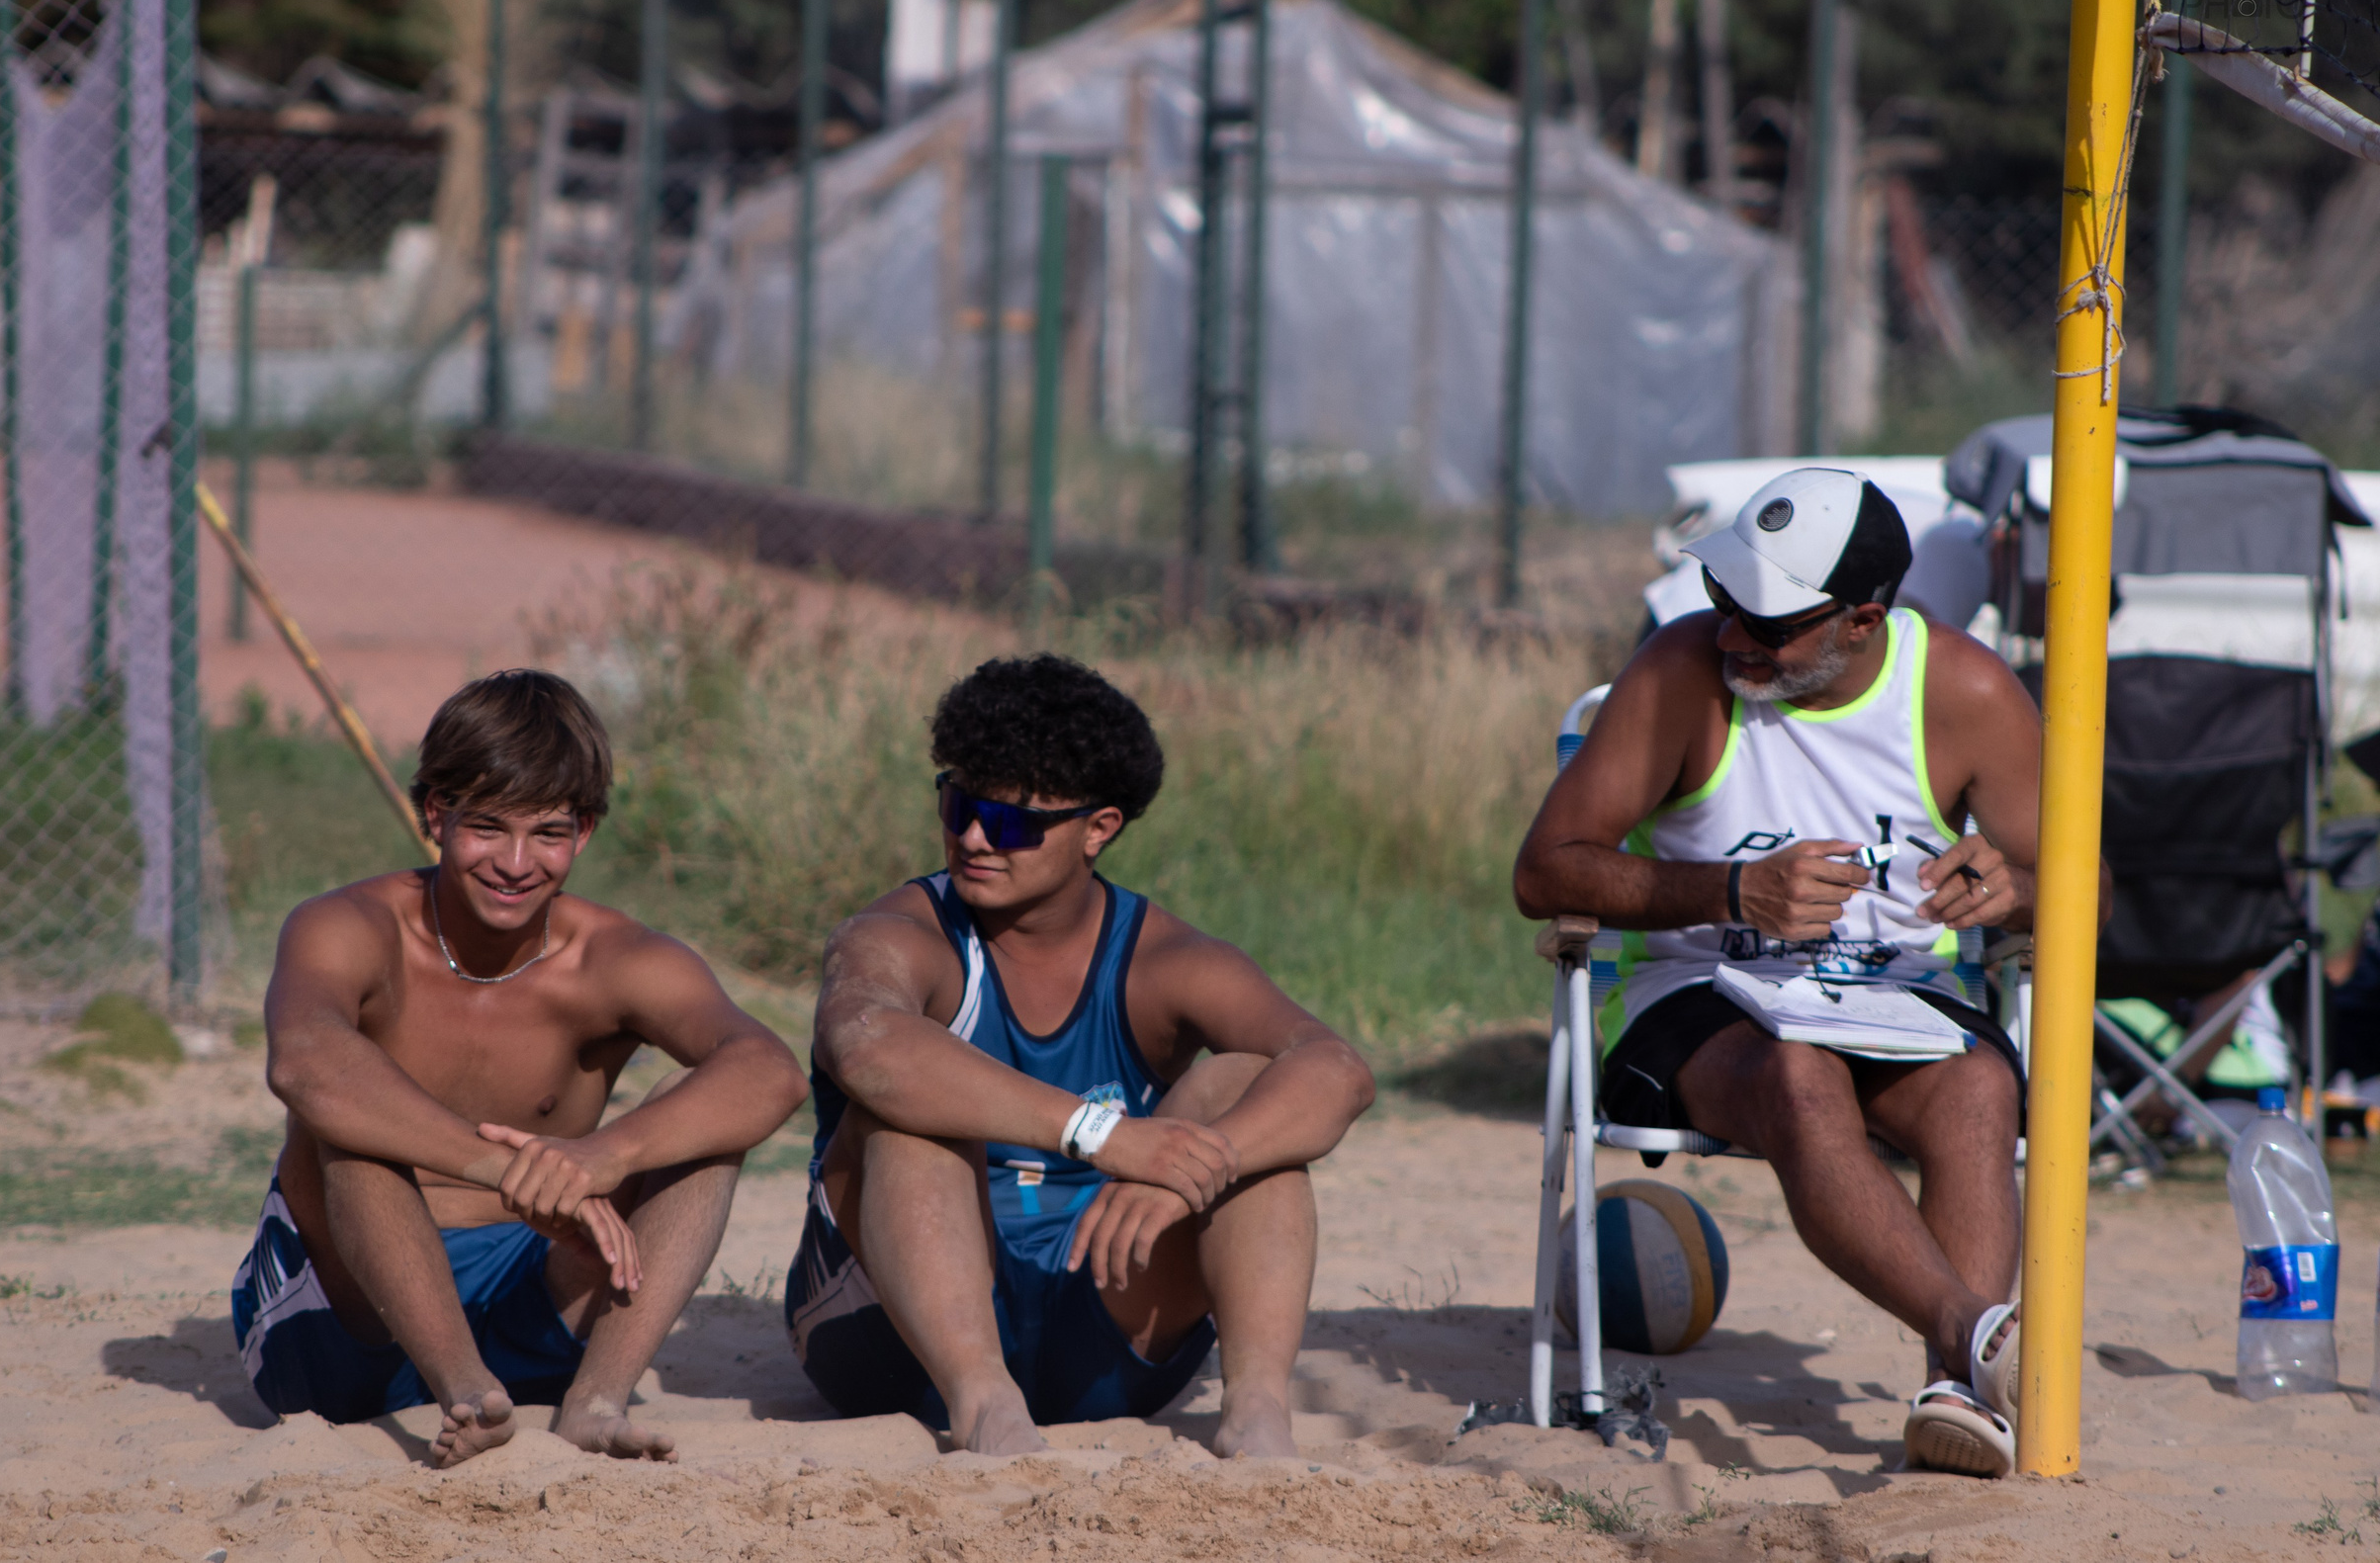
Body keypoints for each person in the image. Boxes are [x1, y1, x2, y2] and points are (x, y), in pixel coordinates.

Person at [1513, 468, 2104, 1480]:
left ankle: (1958, 1393)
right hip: (1697, 994)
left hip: (1894, 993)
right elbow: (1545, 871)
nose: (1731, 633)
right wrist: (1731, 891)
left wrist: (2016, 890)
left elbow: (2087, 889)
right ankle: (1976, 1335)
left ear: (1863, 620)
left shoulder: (1961, 691)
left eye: (1768, 621)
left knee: (1979, 1084)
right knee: (1797, 1072)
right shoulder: (1682, 672)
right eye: (1723, 598)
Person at [787, 653, 1375, 1458]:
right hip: (893, 1344)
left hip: (1107, 1324)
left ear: (1100, 828)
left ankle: (1258, 1411)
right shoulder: (898, 932)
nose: (974, 837)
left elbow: (1338, 1070)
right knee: (909, 1108)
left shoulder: (1168, 959)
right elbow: (866, 1044)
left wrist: (1196, 1165)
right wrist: (1107, 1135)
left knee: (1244, 1084)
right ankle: (985, 1404)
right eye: (959, 803)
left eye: (1014, 822)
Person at [234, 669, 808, 1467]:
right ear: (436, 814)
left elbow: (770, 1071)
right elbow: (305, 1063)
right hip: (339, 1320)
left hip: (530, 1290)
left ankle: (596, 1402)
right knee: (351, 1123)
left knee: (697, 1115)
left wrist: (602, 1157)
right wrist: (508, 1167)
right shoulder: (348, 925)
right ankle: (467, 1392)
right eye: (487, 827)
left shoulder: (614, 957)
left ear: (585, 831)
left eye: (547, 833)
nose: (514, 861)